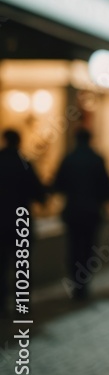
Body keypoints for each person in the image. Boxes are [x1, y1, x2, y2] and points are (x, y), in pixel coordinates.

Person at [53, 128, 109, 300]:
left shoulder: (69, 159)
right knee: (88, 247)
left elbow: (58, 184)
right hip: (92, 212)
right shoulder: (97, 160)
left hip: (73, 211)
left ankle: (75, 282)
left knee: (73, 246)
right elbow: (106, 188)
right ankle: (83, 282)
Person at [0, 130, 46, 315]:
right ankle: (22, 303)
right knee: (22, 265)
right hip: (21, 222)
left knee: (1, 265)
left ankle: (1, 304)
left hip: (1, 222)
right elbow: (38, 192)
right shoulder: (24, 163)